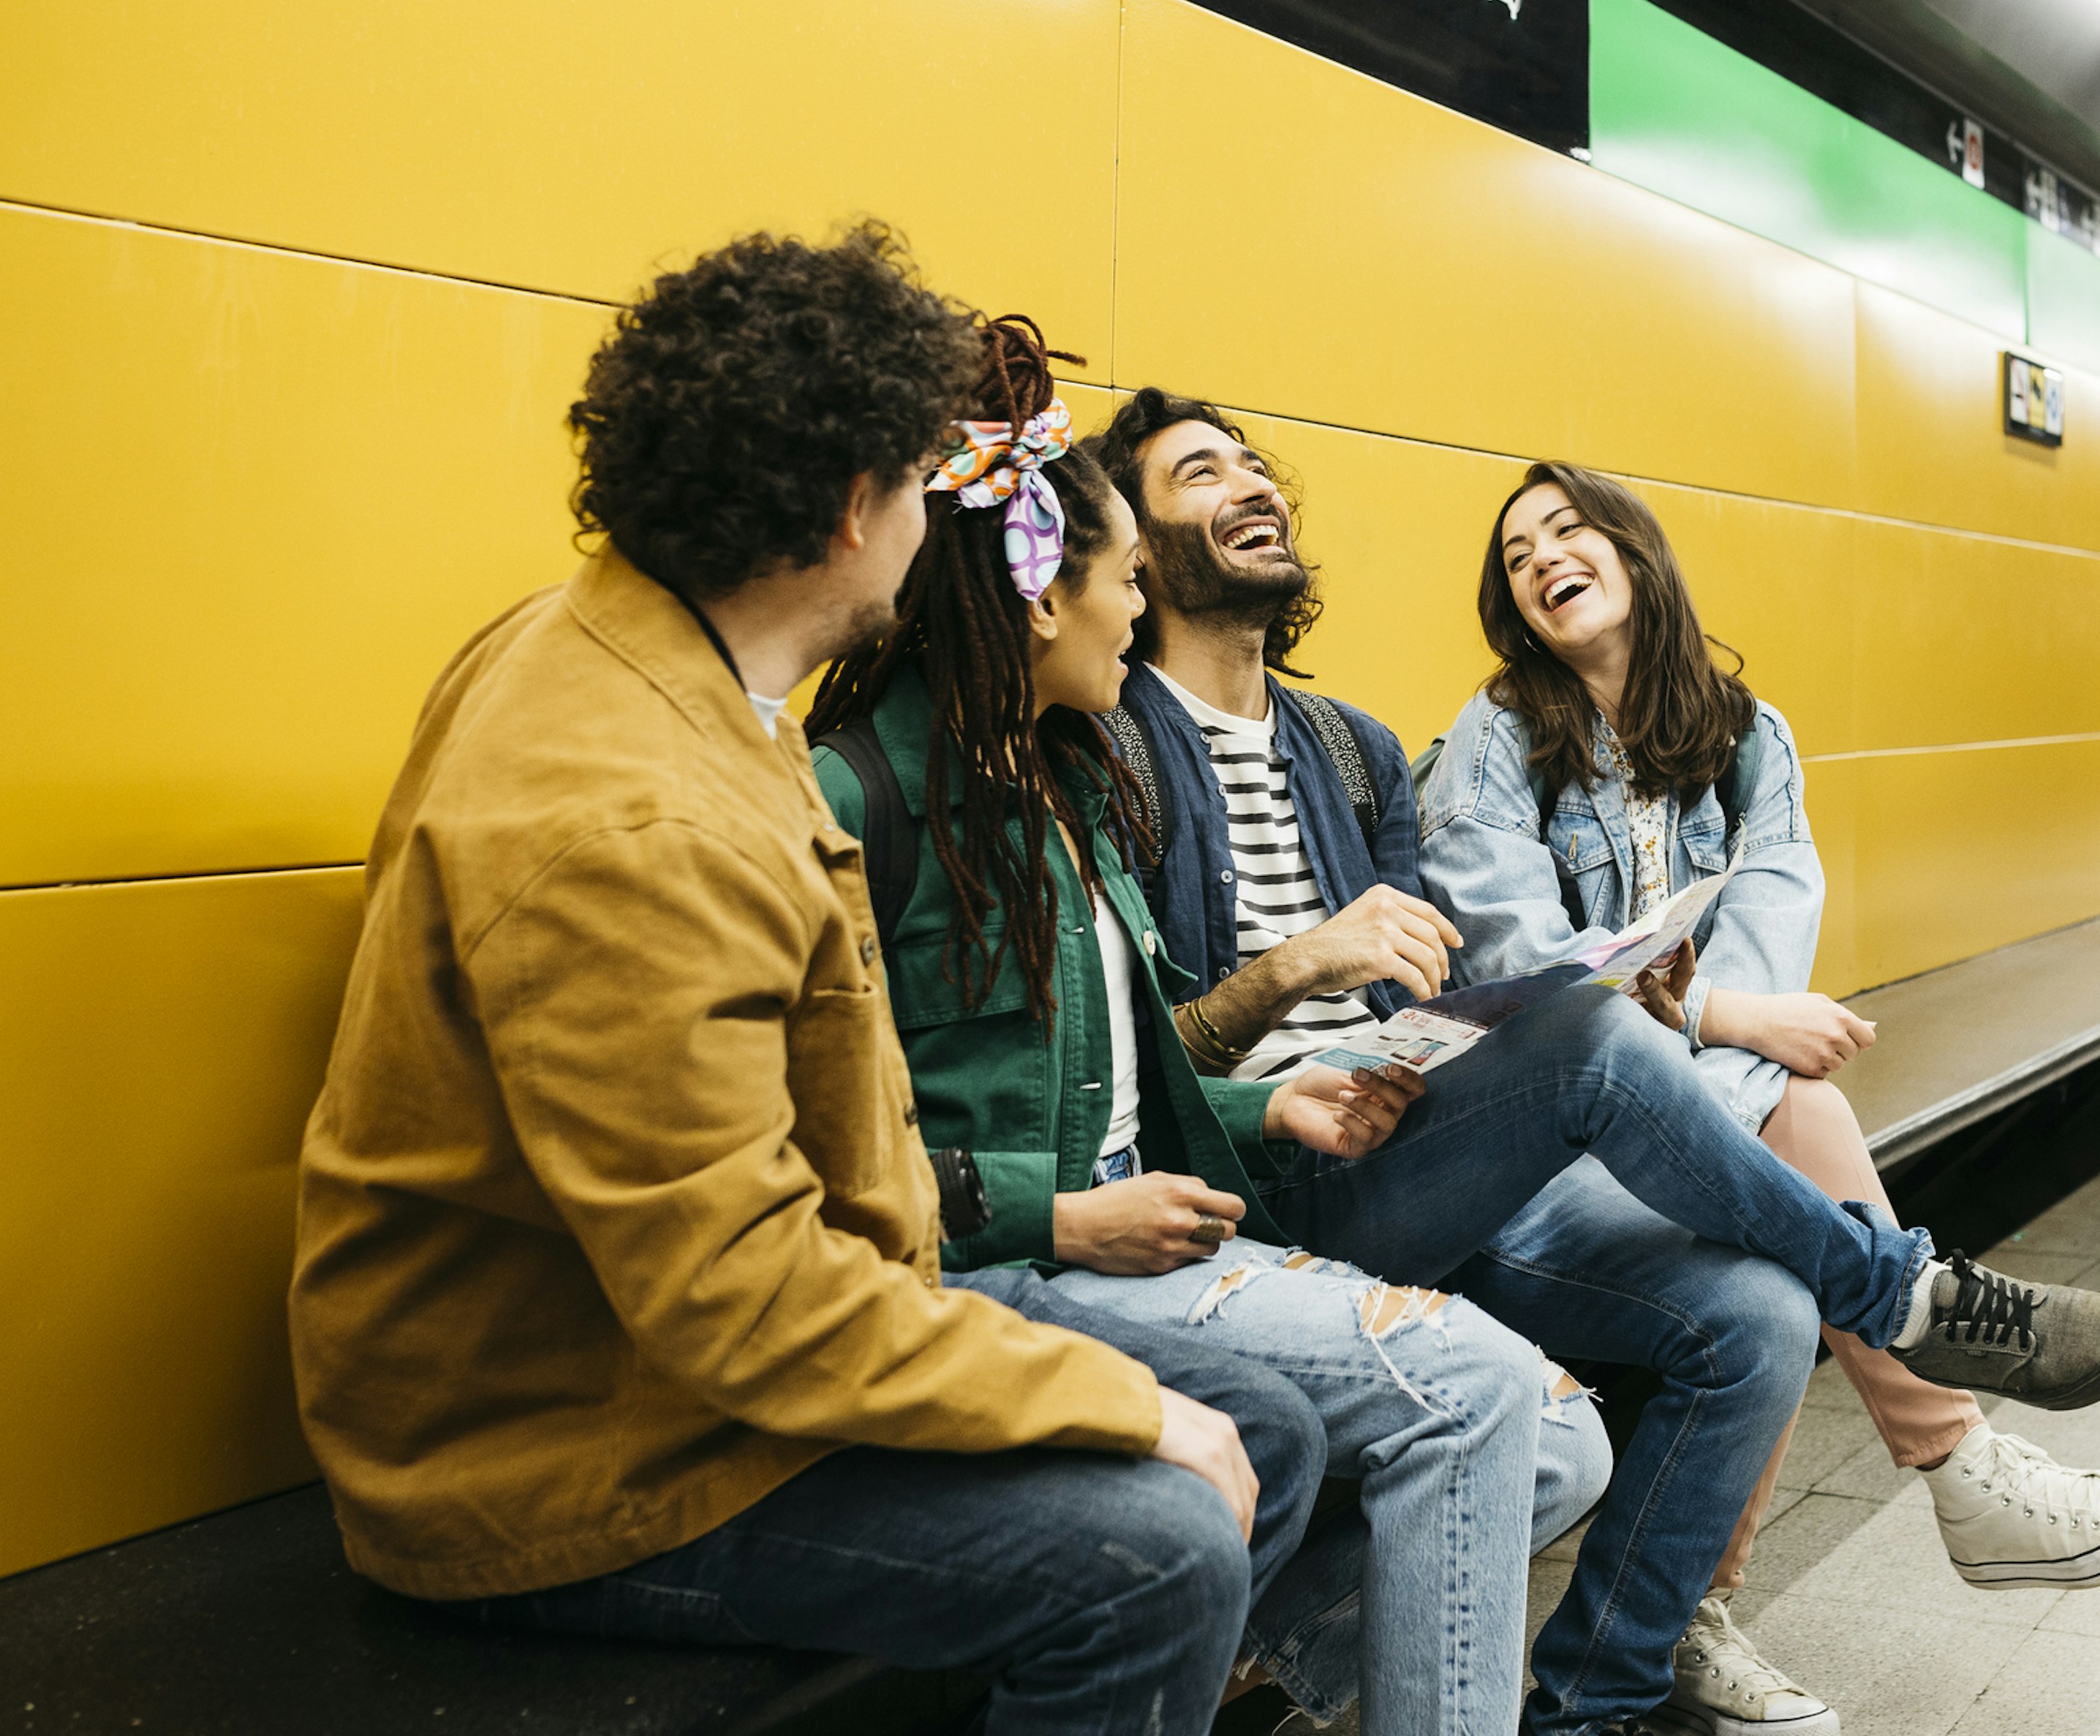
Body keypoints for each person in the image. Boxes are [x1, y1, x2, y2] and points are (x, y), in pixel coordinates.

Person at [289, 227, 1329, 1736]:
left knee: (1270, 1438)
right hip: (560, 1461)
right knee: (1152, 1551)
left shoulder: (631, 647)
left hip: (689, 1376)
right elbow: (747, 1301)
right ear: (858, 506)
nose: (945, 522)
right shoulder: (631, 819)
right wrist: (1127, 1402)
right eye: (924, 483)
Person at [1086, 391, 2100, 1736]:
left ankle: (1601, 1692)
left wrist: (1505, 1026)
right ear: (1130, 541)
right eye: (1201, 473)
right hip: (1270, 1168)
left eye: (1257, 465)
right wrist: (1297, 976)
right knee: (1607, 1041)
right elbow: (1128, 1068)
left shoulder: (1352, 753)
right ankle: (1906, 1299)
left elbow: (1465, 992)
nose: (1252, 485)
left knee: (1760, 1318)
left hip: (1423, 1133)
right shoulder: (1109, 742)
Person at [803, 316, 1614, 1736]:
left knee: (1557, 1437)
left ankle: (1247, 1651)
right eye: (1121, 581)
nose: (1137, 612)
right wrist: (1061, 1217)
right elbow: (828, 1172)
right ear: (1041, 598)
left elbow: (1120, 1077)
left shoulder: (1066, 777)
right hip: (1021, 1268)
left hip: (1159, 1235)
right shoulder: (858, 793)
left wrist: (1267, 1109)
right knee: (1487, 1395)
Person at [1421, 461, 2100, 1713]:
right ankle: (1954, 1459)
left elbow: (1775, 943)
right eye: (1516, 556)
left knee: (1784, 1172)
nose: (1542, 558)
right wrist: (1719, 1019)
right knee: (1796, 1122)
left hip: (1704, 1111)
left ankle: (1703, 1616)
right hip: (1539, 1150)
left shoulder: (1744, 737)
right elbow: (1524, 981)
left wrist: (1723, 1061)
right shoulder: (1495, 742)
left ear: (1634, 550)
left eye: (1568, 530)